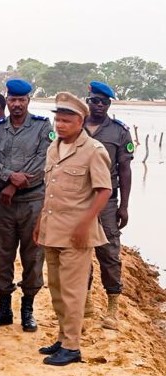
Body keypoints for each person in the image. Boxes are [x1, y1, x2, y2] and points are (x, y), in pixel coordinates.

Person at [33, 91, 111, 366]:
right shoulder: (54, 148)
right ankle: (63, 337)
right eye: (58, 120)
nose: (60, 125)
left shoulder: (94, 151)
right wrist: (40, 222)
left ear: (80, 121)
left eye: (67, 121)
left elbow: (104, 191)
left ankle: (72, 347)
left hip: (77, 234)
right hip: (52, 229)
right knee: (55, 287)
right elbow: (50, 192)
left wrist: (85, 222)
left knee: (73, 291)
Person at [0, 79, 53, 332]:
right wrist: (8, 178)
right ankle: (3, 308)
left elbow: (44, 160)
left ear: (28, 101)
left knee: (33, 255)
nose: (17, 105)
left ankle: (28, 308)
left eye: (22, 100)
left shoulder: (43, 127)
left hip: (33, 200)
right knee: (1, 255)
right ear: (7, 100)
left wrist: (14, 184)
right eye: (13, 100)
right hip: (4, 203)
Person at [83, 81, 134, 330]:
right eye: (95, 101)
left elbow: (125, 170)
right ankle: (85, 302)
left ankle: (112, 307)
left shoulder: (119, 132)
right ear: (87, 100)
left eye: (104, 102)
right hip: (78, 199)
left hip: (107, 201)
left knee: (109, 253)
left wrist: (124, 206)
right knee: (80, 250)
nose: (99, 105)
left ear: (109, 104)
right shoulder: (75, 126)